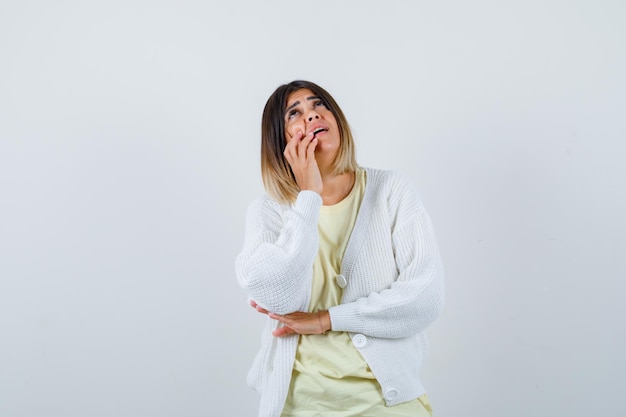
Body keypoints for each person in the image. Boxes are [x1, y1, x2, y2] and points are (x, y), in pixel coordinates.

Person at [235, 80, 445, 417]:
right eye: (295, 113)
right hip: (299, 405)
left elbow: (425, 299)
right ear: (281, 141)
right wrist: (309, 197)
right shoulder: (270, 210)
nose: (312, 115)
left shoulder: (391, 190)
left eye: (319, 105)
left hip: (387, 404)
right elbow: (277, 297)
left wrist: (326, 319)